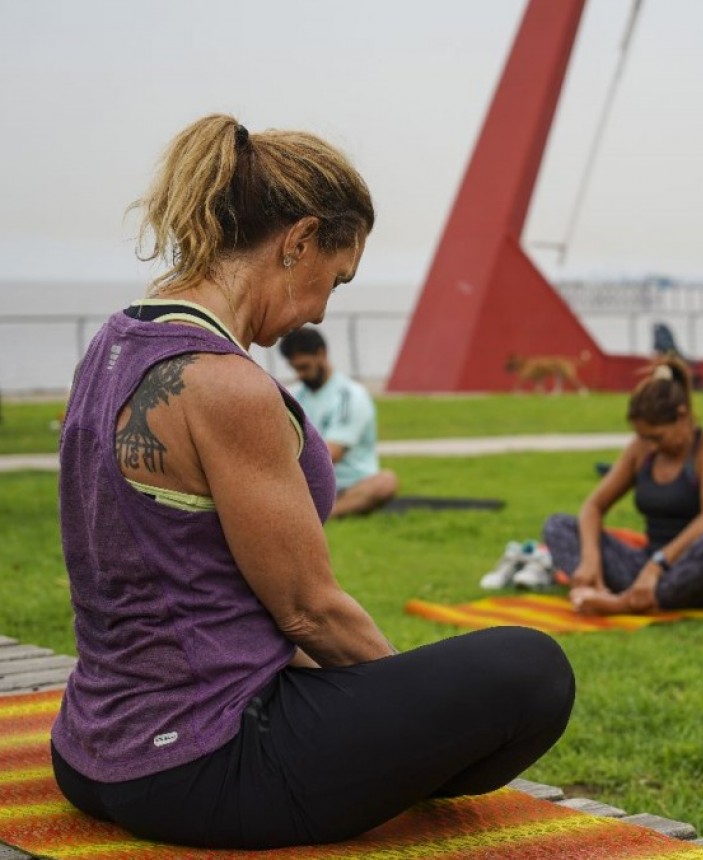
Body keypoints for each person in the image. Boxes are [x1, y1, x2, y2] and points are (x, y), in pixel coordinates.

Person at [50, 114, 575, 851]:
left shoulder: (113, 344)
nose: (324, 310)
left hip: (87, 749)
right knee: (532, 669)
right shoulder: (226, 386)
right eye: (335, 278)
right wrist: (407, 711)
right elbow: (308, 612)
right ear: (298, 242)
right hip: (206, 768)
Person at [541, 358, 703, 615]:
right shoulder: (641, 451)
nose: (651, 446)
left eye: (657, 437)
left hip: (696, 574)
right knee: (558, 526)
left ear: (682, 417)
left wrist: (656, 566)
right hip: (644, 570)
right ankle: (606, 590)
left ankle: (624, 604)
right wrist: (590, 560)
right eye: (643, 437)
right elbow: (593, 506)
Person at [279, 327, 398, 516]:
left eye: (304, 367)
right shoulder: (292, 395)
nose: (299, 375)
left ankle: (324, 515)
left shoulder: (351, 395)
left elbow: (332, 454)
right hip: (305, 484)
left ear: (321, 353)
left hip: (351, 486)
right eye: (294, 368)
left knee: (385, 482)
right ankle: (312, 511)